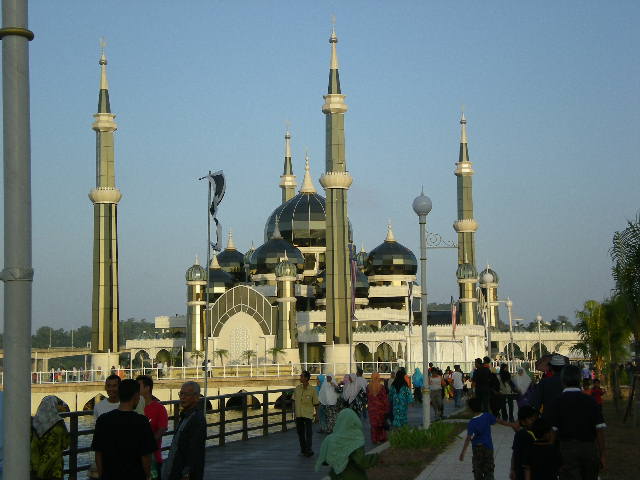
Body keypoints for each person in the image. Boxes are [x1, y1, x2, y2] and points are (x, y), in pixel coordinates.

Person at [549, 364, 606, 480]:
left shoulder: (557, 402)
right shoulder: (590, 401)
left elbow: (553, 432)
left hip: (567, 451)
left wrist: (549, 454)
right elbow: (600, 430)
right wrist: (602, 455)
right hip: (589, 449)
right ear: (579, 380)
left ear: (563, 381)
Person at [91, 379, 157, 480]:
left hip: (110, 475)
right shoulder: (141, 422)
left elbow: (98, 453)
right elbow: (146, 456)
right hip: (135, 474)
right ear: (136, 396)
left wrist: (102, 475)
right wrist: (147, 475)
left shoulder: (103, 420)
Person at [315, 408, 379, 479]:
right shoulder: (355, 438)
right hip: (353, 475)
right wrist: (376, 457)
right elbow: (361, 461)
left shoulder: (329, 439)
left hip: (336, 476)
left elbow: (326, 461)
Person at [458, 397, 512, 480]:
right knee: (489, 470)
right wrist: (511, 425)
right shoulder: (487, 416)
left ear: (471, 409)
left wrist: (463, 453)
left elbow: (468, 439)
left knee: (477, 471)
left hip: (477, 449)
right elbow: (499, 421)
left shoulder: (472, 423)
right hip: (488, 448)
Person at [162, 381, 207, 480]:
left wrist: (187, 472)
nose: (182, 397)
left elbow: (195, 449)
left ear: (196, 397)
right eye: (181, 394)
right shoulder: (186, 416)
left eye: (186, 394)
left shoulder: (196, 419)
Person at [30, 396, 70, 480]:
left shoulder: (33, 423)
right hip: (54, 470)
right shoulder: (59, 424)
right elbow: (65, 444)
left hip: (35, 469)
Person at [137, 375, 169, 478]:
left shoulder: (160, 409)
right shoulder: (133, 407)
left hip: (153, 459)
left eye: (138, 386)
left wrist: (145, 445)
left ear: (147, 388)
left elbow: (161, 430)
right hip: (134, 461)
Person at [293, 370, 319, 457]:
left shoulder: (312, 390)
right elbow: (293, 400)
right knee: (300, 433)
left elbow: (316, 403)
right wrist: (294, 413)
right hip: (299, 414)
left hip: (308, 414)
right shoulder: (297, 388)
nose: (300, 378)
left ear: (306, 378)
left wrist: (317, 416)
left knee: (308, 432)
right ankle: (303, 449)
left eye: (302, 376)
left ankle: (309, 449)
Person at [531, 354, 566, 420]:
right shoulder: (569, 381)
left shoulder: (544, 382)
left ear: (551, 367)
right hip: (566, 419)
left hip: (548, 418)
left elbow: (536, 403)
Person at [510, 405, 539, 480]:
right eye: (531, 419)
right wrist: (512, 469)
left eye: (534, 419)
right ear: (523, 421)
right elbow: (515, 453)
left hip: (521, 471)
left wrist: (512, 469)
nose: (533, 421)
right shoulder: (524, 435)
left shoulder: (521, 433)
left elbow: (514, 452)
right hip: (522, 472)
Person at [366, 372, 389, 444]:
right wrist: (386, 408)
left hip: (372, 409)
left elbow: (368, 397)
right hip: (380, 408)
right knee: (380, 424)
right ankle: (381, 438)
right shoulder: (381, 387)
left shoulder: (368, 387)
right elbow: (384, 399)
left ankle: (375, 439)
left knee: (374, 425)